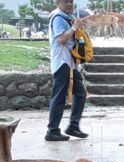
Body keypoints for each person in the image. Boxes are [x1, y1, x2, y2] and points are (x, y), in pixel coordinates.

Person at [45, 0, 89, 142]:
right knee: (59, 96)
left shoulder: (65, 17)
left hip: (69, 63)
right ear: (58, 2)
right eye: (66, 2)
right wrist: (75, 27)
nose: (69, 4)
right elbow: (61, 39)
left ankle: (73, 125)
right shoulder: (58, 18)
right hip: (62, 62)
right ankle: (52, 130)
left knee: (80, 93)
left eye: (71, 1)